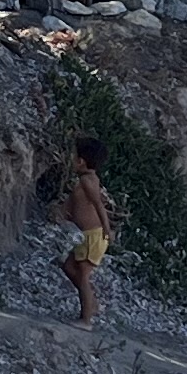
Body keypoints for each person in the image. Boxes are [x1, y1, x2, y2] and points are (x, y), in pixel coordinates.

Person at [58, 133, 115, 325]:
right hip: (86, 236)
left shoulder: (87, 181)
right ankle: (92, 303)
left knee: (83, 275)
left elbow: (98, 205)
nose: (71, 159)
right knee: (68, 266)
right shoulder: (86, 179)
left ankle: (86, 320)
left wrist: (107, 230)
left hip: (94, 236)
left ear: (81, 161)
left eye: (74, 156)